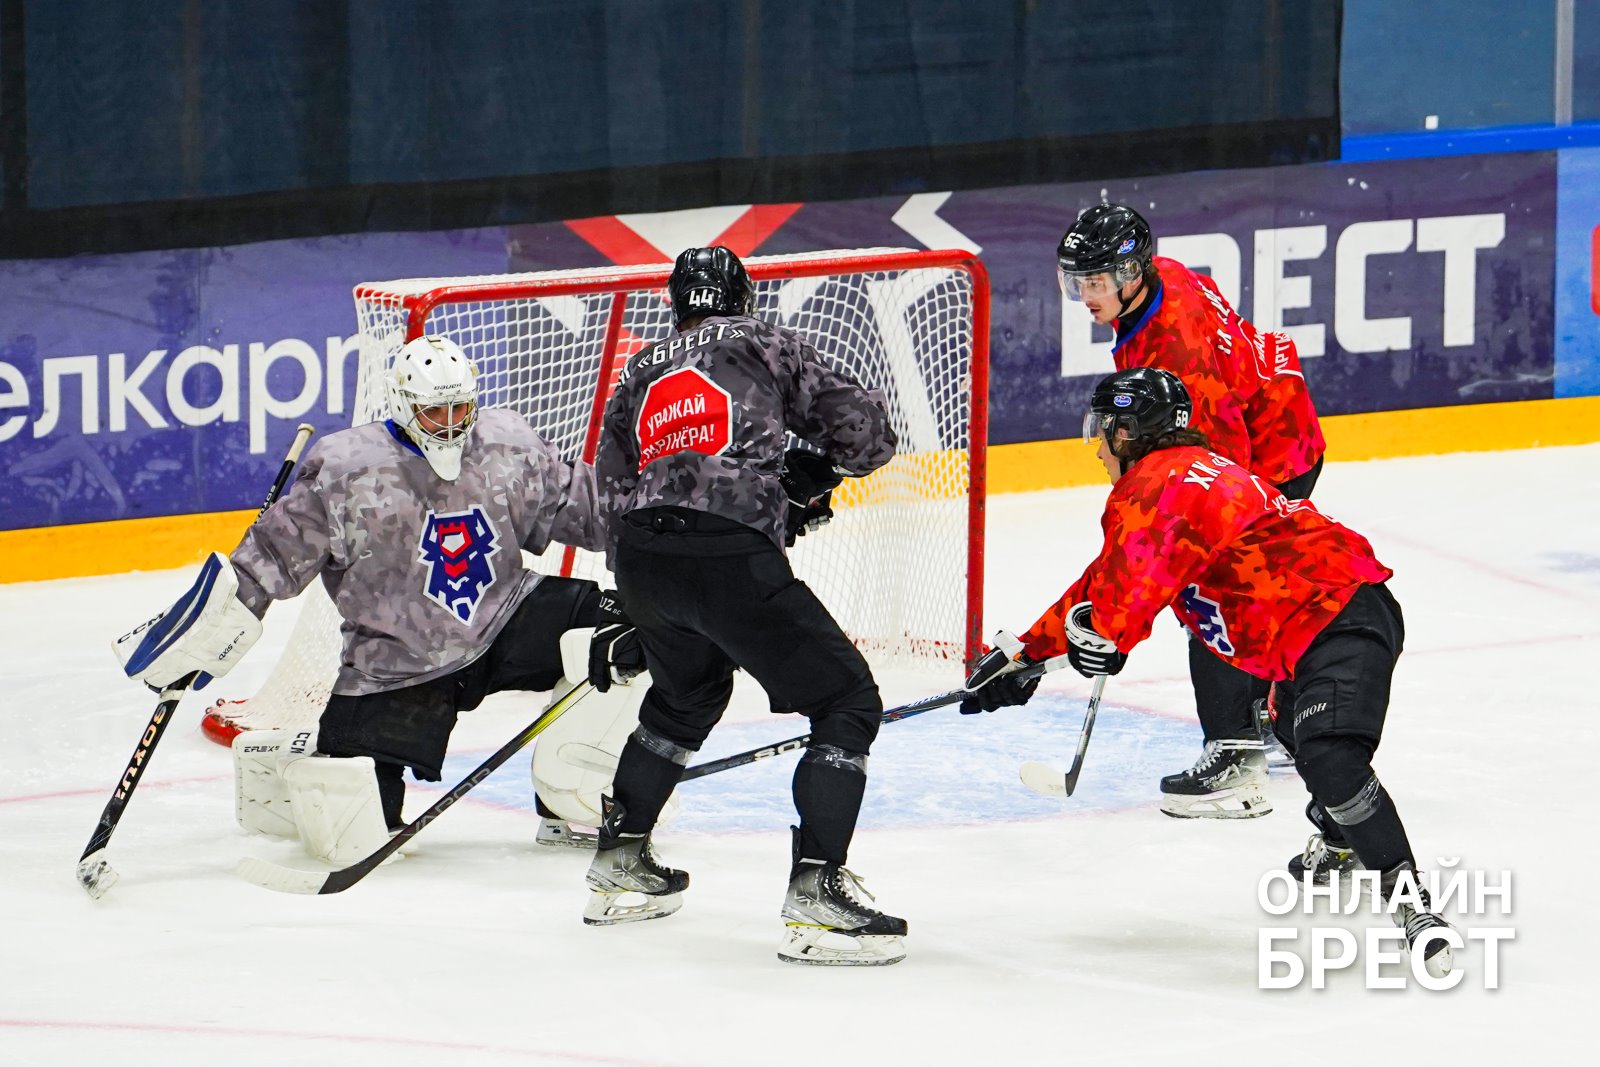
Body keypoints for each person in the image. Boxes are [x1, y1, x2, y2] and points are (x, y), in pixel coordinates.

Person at [965, 366, 1454, 978]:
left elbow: (1117, 606)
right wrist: (1025, 654)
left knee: (1331, 755)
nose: (1097, 447)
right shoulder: (1183, 473)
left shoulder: (1152, 487)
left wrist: (1081, 646)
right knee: (1298, 733)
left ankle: (1413, 907)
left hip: (1334, 618)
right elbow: (1109, 581)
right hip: (1316, 620)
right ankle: (1341, 838)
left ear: (1125, 432)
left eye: (1103, 430)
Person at [116, 334, 646, 865]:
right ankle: (290, 761)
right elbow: (270, 559)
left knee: (633, 632)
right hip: (396, 661)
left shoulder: (508, 444)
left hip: (507, 617)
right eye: (434, 411)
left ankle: (575, 793)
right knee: (353, 831)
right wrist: (209, 631)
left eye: (460, 409)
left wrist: (669, 526)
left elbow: (589, 509)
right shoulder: (345, 468)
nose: (451, 424)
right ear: (403, 405)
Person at [584, 245, 907, 967]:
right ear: (743, 297)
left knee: (685, 696)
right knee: (847, 699)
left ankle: (620, 861)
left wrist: (633, 604)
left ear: (675, 304)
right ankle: (818, 891)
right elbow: (867, 434)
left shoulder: (639, 370)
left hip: (642, 558)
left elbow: (610, 495)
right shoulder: (764, 340)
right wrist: (814, 470)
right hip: (726, 553)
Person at [1057, 203, 1327, 818]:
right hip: (1283, 427)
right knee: (1250, 589)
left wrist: (1169, 537)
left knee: (1211, 586)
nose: (1084, 296)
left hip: (1271, 452)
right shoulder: (1165, 277)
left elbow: (1216, 465)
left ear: (1131, 273)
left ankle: (1235, 751)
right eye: (1078, 281)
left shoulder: (1173, 350)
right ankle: (1275, 718)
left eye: (1094, 282)